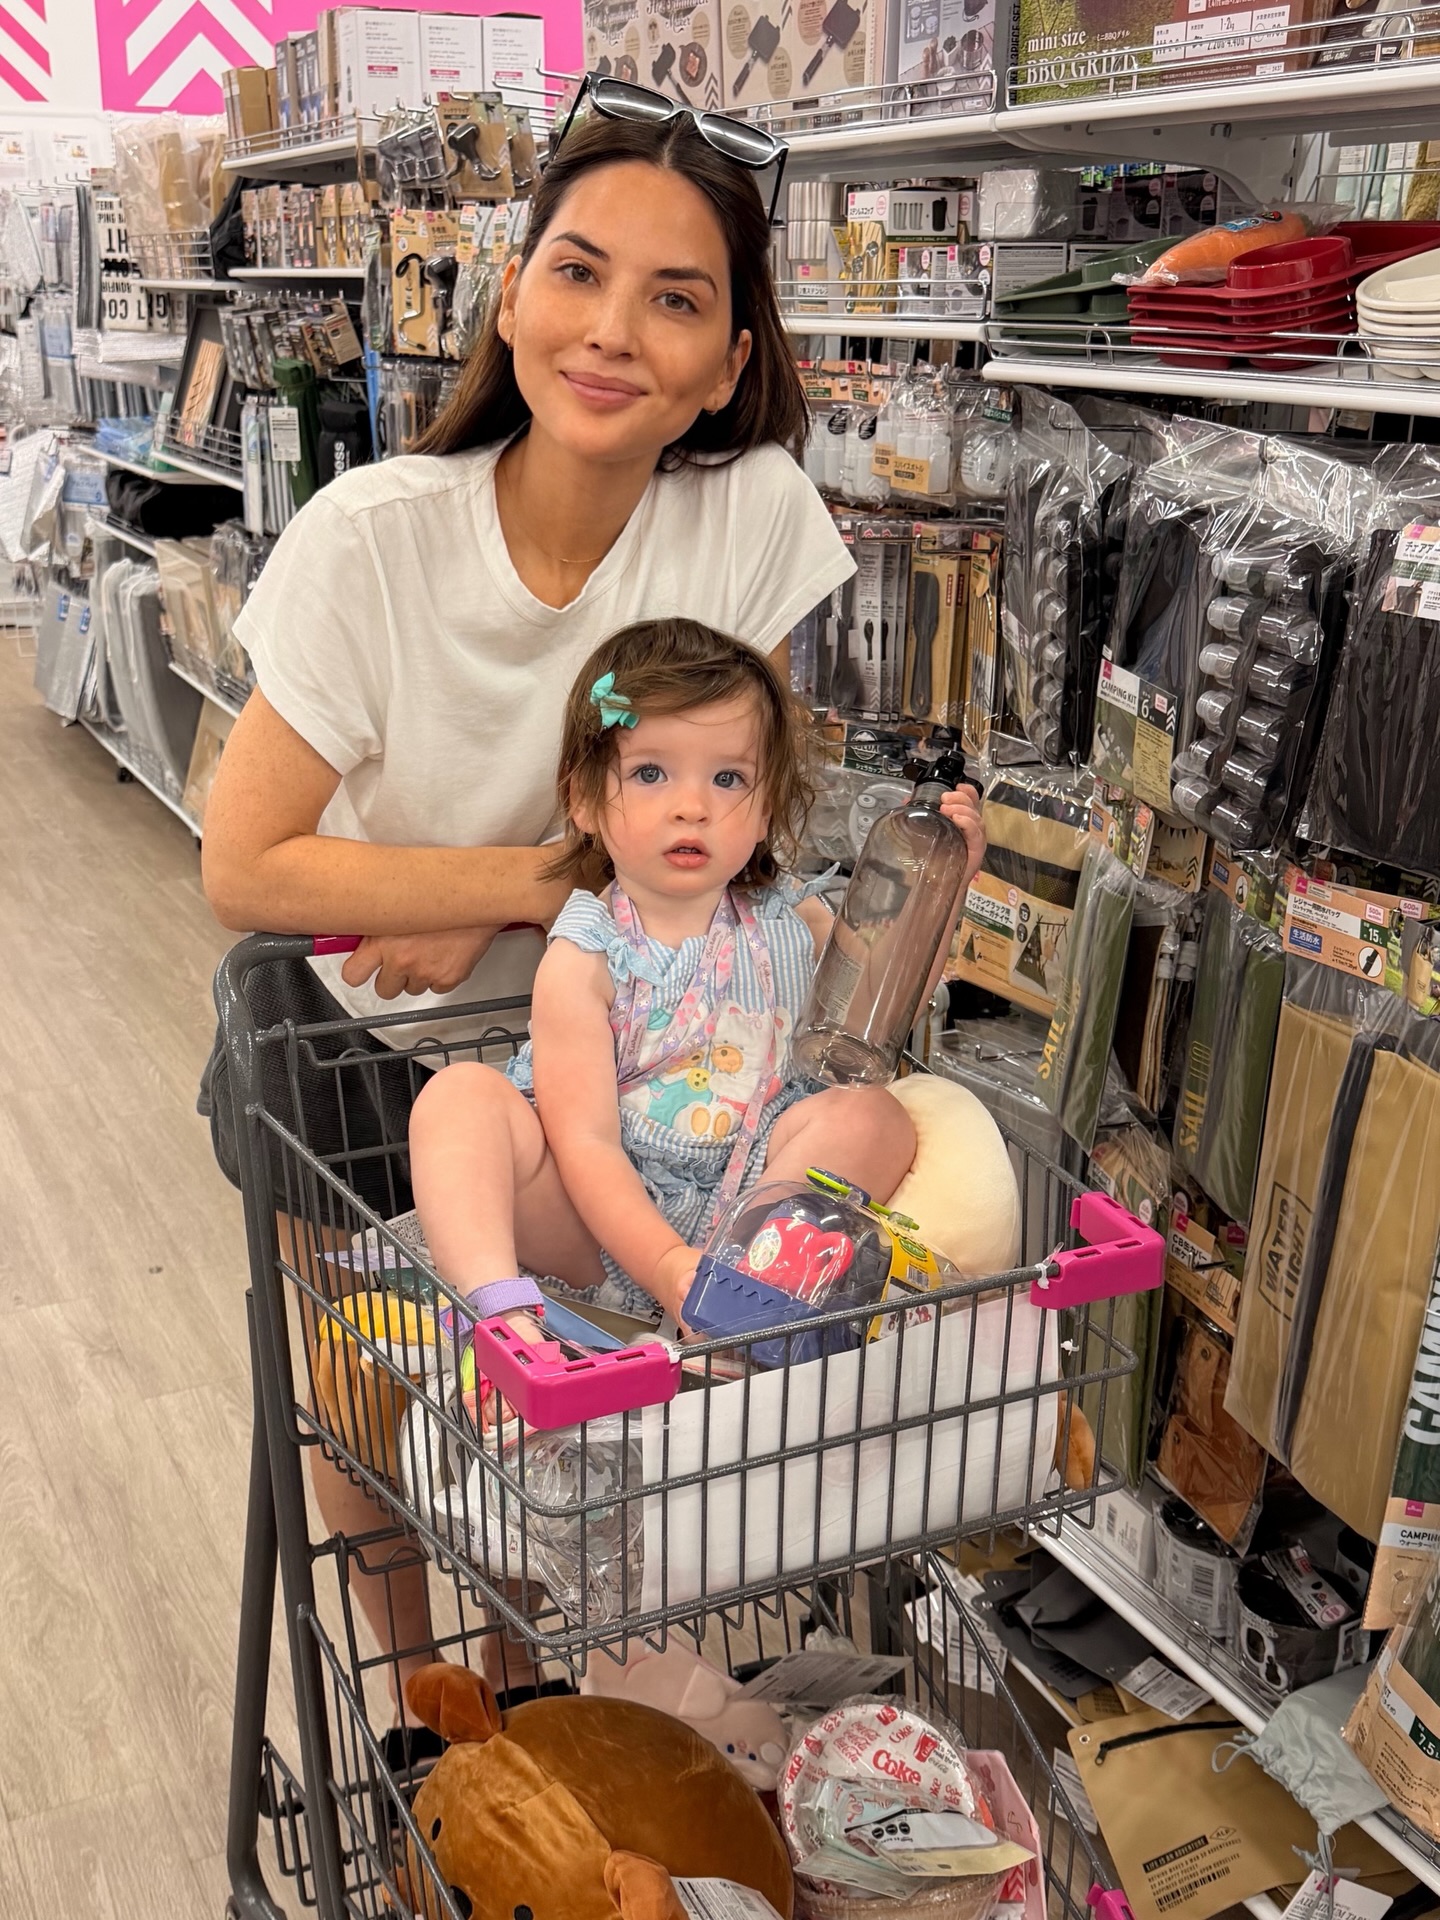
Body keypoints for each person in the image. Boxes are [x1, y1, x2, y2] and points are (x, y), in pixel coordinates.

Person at [200, 87, 901, 1728]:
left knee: (538, 1405)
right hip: (359, 1033)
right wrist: (521, 881)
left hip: (623, 1037)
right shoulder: (372, 539)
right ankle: (426, 1698)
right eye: (576, 274)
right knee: (365, 1388)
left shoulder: (754, 523)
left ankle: (547, 1693)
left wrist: (517, 898)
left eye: (678, 298)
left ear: (733, 360)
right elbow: (251, 865)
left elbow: (738, 810)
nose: (612, 332)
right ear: (510, 294)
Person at [410, 620, 983, 1337]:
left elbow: (879, 1009)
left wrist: (945, 884)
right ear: (585, 801)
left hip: (751, 1203)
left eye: (728, 777)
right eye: (651, 773)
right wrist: (665, 1264)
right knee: (458, 1098)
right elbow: (584, 1144)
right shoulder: (587, 955)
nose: (693, 805)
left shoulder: (789, 915)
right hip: (598, 1216)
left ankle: (734, 1314)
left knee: (873, 1115)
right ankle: (502, 1315)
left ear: (767, 805)